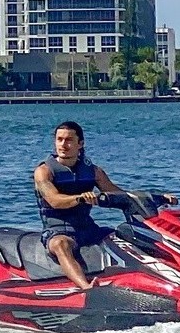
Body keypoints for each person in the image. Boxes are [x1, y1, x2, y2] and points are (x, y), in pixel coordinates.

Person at [32, 120, 127, 291]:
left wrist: (154, 198)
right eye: (59, 139)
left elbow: (117, 194)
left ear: (80, 144)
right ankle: (86, 288)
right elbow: (54, 200)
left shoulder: (93, 171)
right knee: (61, 244)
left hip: (87, 228)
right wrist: (80, 198)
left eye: (68, 140)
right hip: (57, 230)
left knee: (125, 237)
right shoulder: (44, 172)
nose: (63, 144)